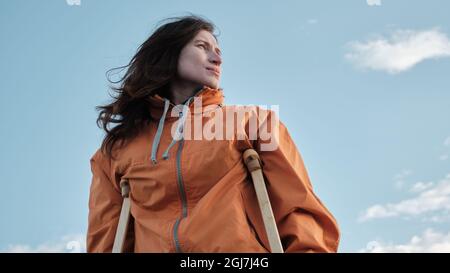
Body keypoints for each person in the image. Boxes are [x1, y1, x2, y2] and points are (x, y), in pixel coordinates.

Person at [87, 15, 340, 253]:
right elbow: (106, 238)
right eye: (202, 46)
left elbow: (297, 208)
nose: (217, 58)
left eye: (218, 51)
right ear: (168, 53)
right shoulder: (116, 151)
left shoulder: (254, 122)